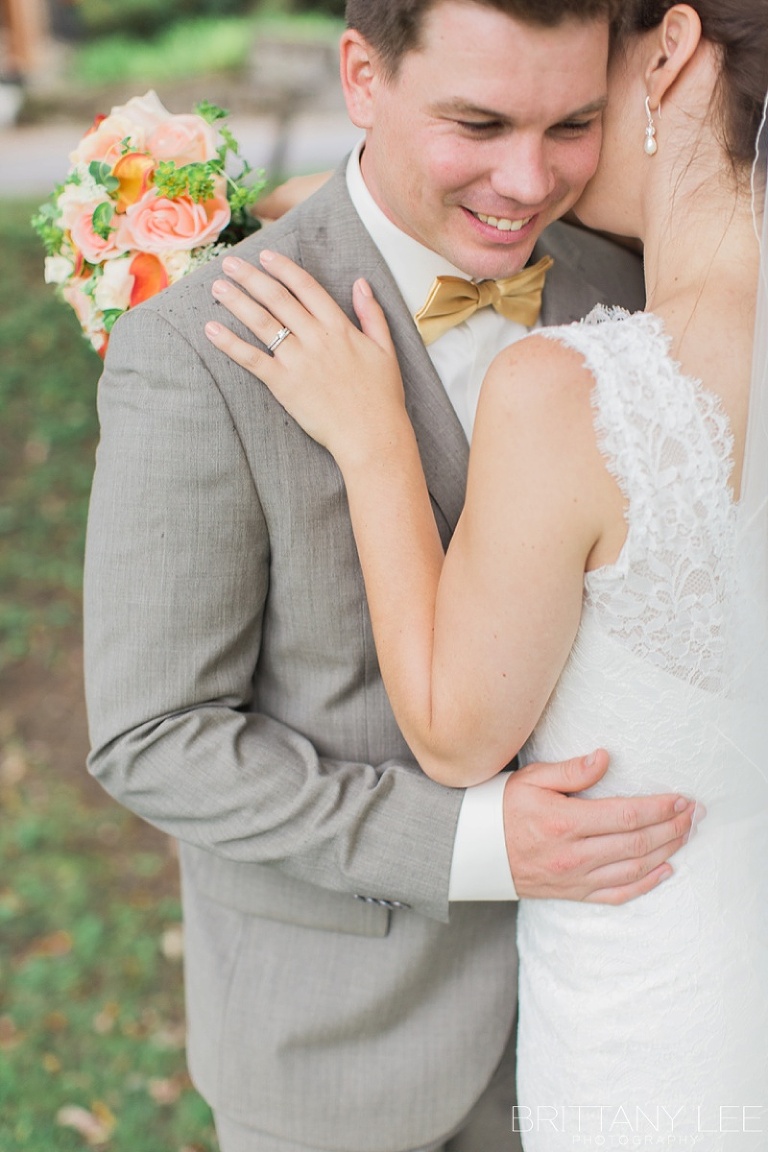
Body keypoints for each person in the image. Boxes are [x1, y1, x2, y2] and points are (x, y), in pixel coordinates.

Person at [83, 2, 698, 1150]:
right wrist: (470, 846)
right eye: (479, 121)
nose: (530, 178)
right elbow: (153, 735)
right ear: (362, 75)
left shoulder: (636, 286)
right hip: (338, 1058)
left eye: (573, 123)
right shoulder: (198, 351)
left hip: (612, 1029)